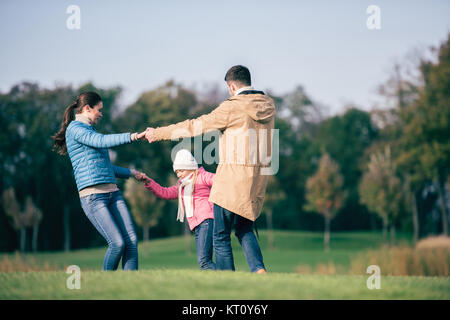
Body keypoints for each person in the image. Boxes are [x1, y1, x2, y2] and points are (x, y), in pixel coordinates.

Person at [145, 65, 275, 273]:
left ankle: (226, 280)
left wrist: (158, 133)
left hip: (231, 181)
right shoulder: (267, 106)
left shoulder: (232, 107)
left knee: (221, 235)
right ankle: (259, 270)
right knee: (243, 228)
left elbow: (195, 126)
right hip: (257, 181)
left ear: (231, 86)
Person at [52, 91, 147, 271]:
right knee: (117, 243)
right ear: (87, 108)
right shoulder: (75, 129)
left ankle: (132, 289)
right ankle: (105, 284)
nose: (101, 114)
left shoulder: (90, 131)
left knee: (131, 241)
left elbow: (105, 168)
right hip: (94, 197)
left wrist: (132, 173)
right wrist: (133, 136)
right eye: (99, 110)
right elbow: (101, 141)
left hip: (113, 194)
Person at [140, 149, 216, 270]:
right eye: (177, 172)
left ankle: (221, 281)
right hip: (197, 225)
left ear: (191, 167)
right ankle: (222, 278)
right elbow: (165, 192)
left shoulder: (202, 177)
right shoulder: (182, 186)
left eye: (182, 170)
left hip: (206, 220)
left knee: (204, 261)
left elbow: (220, 181)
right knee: (204, 260)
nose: (179, 174)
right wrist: (150, 183)